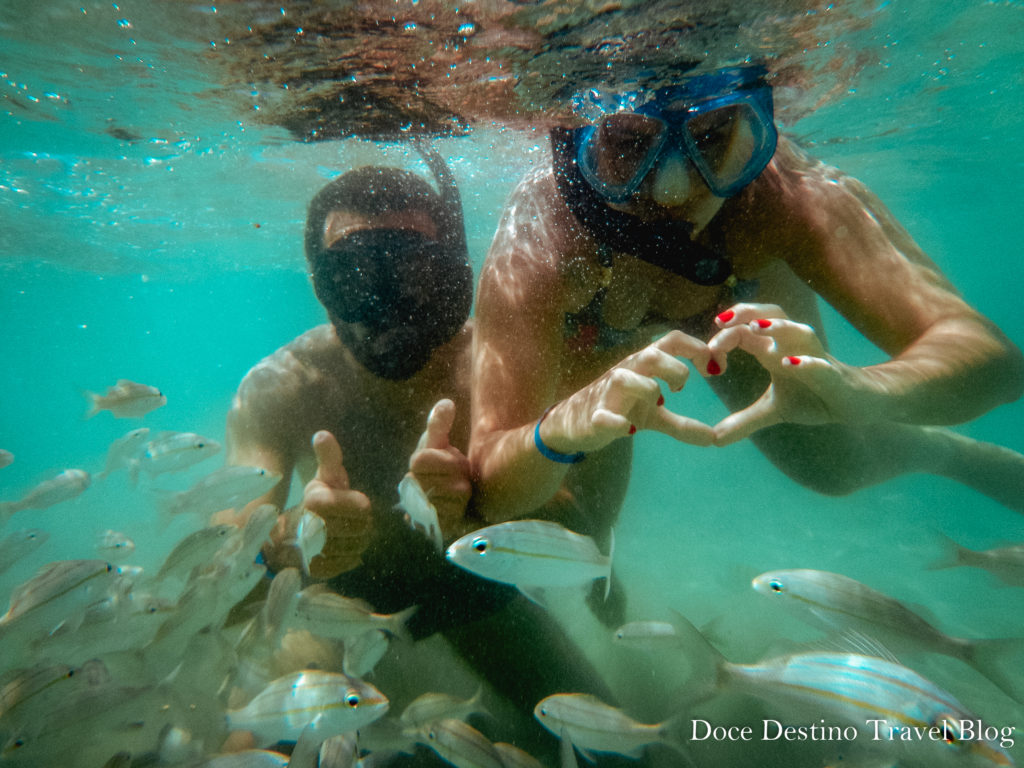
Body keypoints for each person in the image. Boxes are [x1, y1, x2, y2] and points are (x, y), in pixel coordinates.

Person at [468, 64, 1024, 528]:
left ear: (752, 128)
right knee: (580, 516)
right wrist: (553, 431)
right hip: (593, 336)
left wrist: (866, 392)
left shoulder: (779, 195)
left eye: (711, 137)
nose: (674, 189)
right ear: (571, 141)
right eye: (630, 144)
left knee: (831, 468)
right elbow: (490, 477)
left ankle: (945, 453)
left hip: (734, 301)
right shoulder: (544, 238)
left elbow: (993, 362)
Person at [220, 145, 620, 761]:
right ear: (320, 288)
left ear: (454, 275)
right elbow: (222, 569)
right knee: (253, 753)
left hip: (479, 588)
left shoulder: (501, 365)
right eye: (353, 279)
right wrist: (288, 542)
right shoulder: (283, 389)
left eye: (413, 274)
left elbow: (581, 523)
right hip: (336, 597)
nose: (384, 306)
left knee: (617, 746)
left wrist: (489, 510)